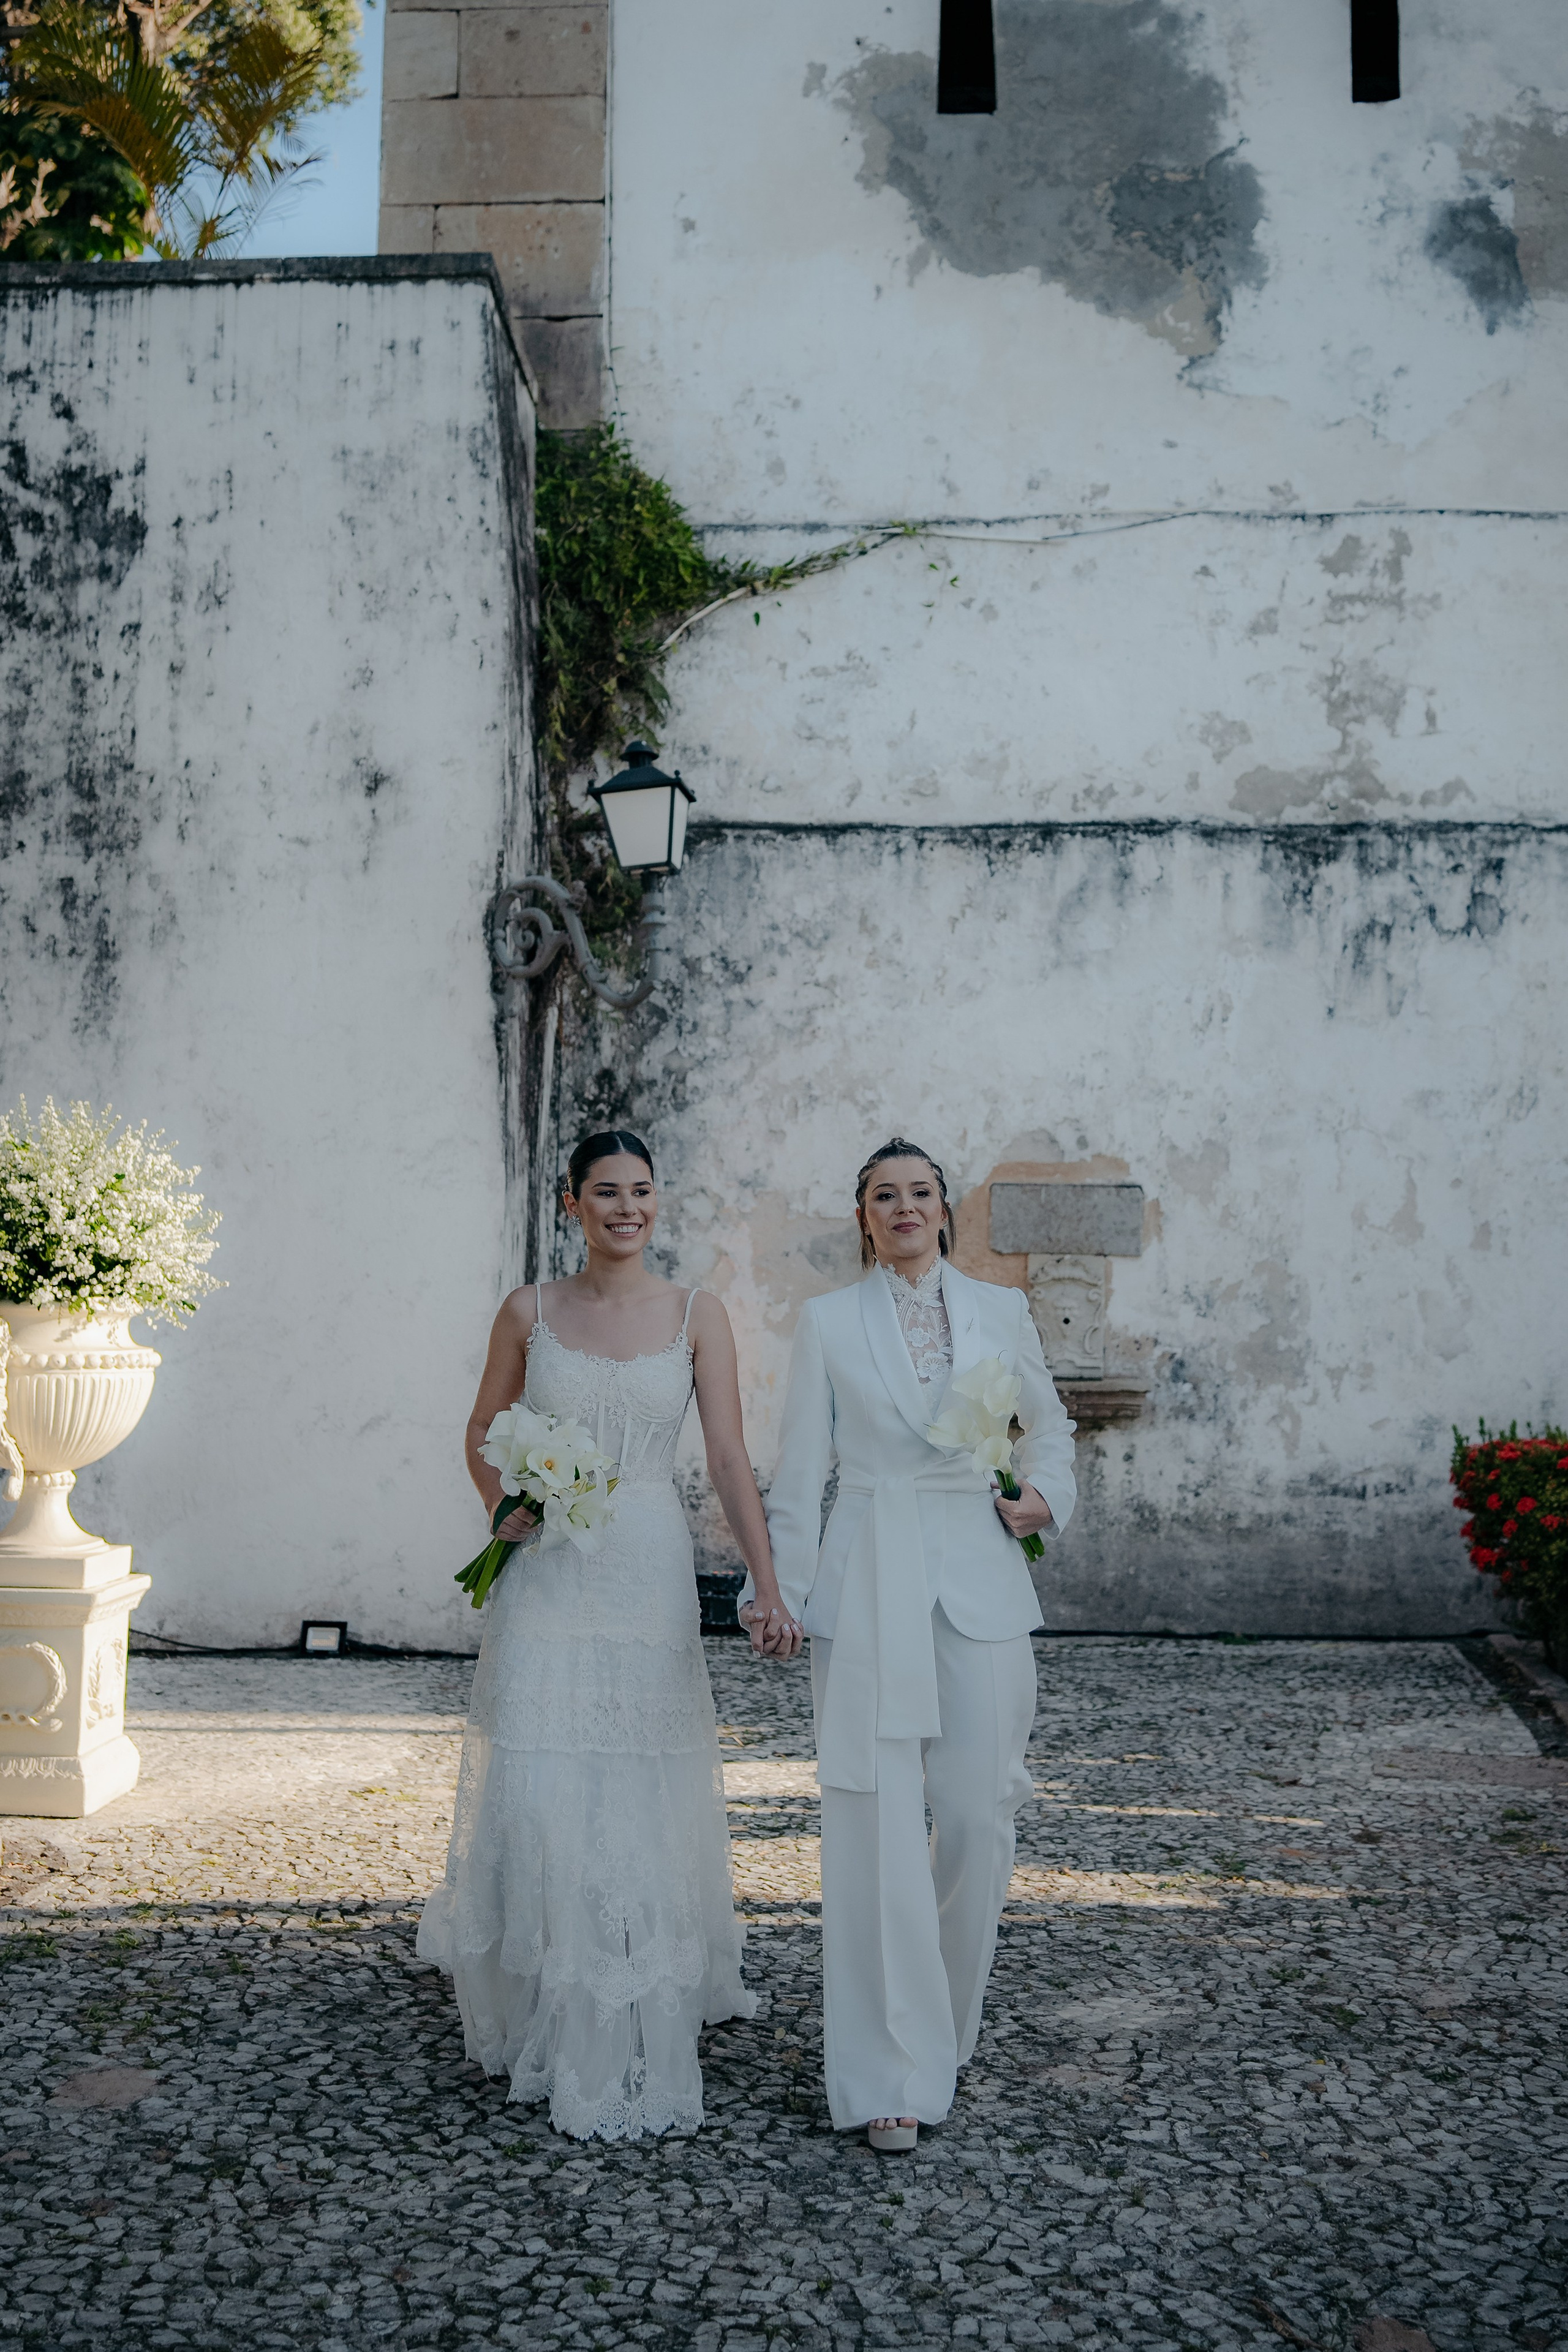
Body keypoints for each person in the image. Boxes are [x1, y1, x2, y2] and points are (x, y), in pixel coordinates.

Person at [418, 1128, 801, 2141]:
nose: (625, 1208)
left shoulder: (695, 1315)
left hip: (643, 1562)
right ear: (570, 1204)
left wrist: (764, 1582)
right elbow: (480, 1427)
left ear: (655, 1204)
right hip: (546, 1568)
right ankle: (547, 1979)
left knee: (637, 1771)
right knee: (540, 1778)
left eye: (641, 1192)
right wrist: (503, 1505)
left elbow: (725, 1454)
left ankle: (633, 1976)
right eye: (605, 1192)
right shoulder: (528, 1311)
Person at [754, 1137, 1076, 2152]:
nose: (903, 1207)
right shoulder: (827, 1323)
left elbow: (1052, 1433)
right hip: (867, 1580)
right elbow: (800, 1473)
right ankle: (888, 2066)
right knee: (876, 1822)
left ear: (946, 1210)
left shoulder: (1001, 1311)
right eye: (883, 1195)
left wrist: (1044, 1500)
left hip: (980, 1576)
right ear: (864, 1216)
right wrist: (784, 1595)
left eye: (920, 1193)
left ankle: (946, 2021)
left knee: (981, 1814)